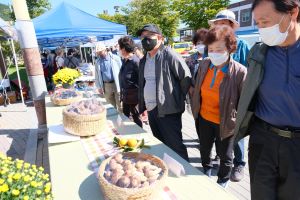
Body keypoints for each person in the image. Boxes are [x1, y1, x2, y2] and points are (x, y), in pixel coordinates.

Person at [234, 0, 300, 199]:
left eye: (265, 21)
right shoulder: (259, 53)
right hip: (263, 139)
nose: (262, 29)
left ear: (293, 12)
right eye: (258, 23)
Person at [191, 25, 247, 188]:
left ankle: (223, 180)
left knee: (225, 155)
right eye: (211, 48)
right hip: (203, 117)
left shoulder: (240, 72)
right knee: (204, 149)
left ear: (230, 48)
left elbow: (244, 102)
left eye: (219, 48)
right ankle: (206, 171)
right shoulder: (203, 65)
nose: (214, 52)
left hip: (226, 121)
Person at [137, 24, 192, 161]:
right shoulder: (144, 59)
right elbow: (144, 83)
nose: (145, 40)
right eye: (142, 37)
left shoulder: (169, 55)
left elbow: (186, 79)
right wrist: (143, 106)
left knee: (175, 146)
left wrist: (175, 99)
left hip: (168, 111)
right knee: (160, 144)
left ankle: (185, 174)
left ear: (160, 38)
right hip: (152, 109)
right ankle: (166, 170)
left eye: (149, 36)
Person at [208, 9, 250, 182]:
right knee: (219, 128)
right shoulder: (211, 43)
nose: (220, 27)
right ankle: (223, 157)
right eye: (218, 24)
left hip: (235, 94)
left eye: (224, 24)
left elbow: (249, 71)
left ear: (232, 26)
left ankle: (239, 163)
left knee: (235, 128)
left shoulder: (243, 45)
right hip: (216, 93)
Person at [118, 36, 143, 127]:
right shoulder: (125, 61)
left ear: (124, 49)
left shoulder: (136, 61)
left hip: (135, 99)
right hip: (126, 97)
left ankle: (139, 137)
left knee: (136, 120)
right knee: (126, 119)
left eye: (119, 48)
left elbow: (142, 81)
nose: (119, 50)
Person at [95, 42, 122, 112]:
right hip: (106, 85)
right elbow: (97, 75)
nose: (99, 54)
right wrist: (99, 87)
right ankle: (115, 121)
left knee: (120, 105)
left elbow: (122, 71)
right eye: (98, 52)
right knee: (110, 106)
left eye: (100, 52)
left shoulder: (115, 58)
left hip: (117, 84)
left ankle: (122, 120)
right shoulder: (97, 61)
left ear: (105, 50)